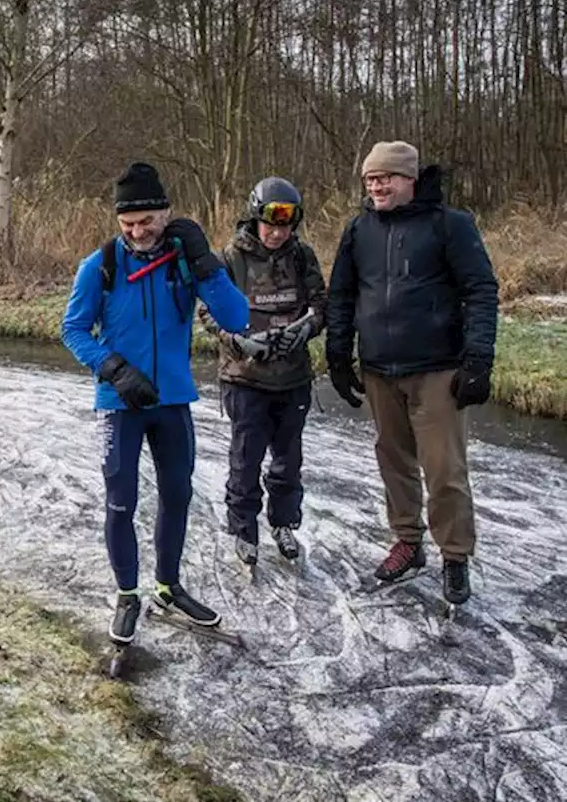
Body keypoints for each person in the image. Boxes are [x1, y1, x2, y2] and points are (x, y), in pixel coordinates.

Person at [62, 162, 250, 644]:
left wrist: (206, 262)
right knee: (121, 501)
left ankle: (168, 586)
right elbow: (73, 330)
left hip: (172, 402)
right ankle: (128, 595)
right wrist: (114, 369)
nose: (137, 232)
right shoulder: (100, 266)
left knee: (177, 495)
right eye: (127, 224)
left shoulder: (185, 262)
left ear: (166, 213)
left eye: (147, 221)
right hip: (119, 404)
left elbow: (236, 316)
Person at [325, 141, 498, 606]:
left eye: (385, 178)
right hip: (380, 370)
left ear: (410, 180)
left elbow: (481, 290)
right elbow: (340, 296)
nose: (377, 186)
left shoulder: (450, 226)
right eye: (370, 180)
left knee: (445, 472)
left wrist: (478, 360)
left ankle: (455, 556)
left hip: (438, 371)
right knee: (394, 463)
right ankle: (407, 542)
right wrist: (339, 356)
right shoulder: (359, 229)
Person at [198, 177, 327, 567]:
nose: (276, 233)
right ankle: (244, 529)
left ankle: (284, 523)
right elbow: (207, 310)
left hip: (292, 378)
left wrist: (306, 328)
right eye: (270, 224)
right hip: (245, 377)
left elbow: (322, 304)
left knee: (288, 460)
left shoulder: (302, 256)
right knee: (246, 458)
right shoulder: (229, 258)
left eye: (285, 226)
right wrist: (235, 340)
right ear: (255, 219)